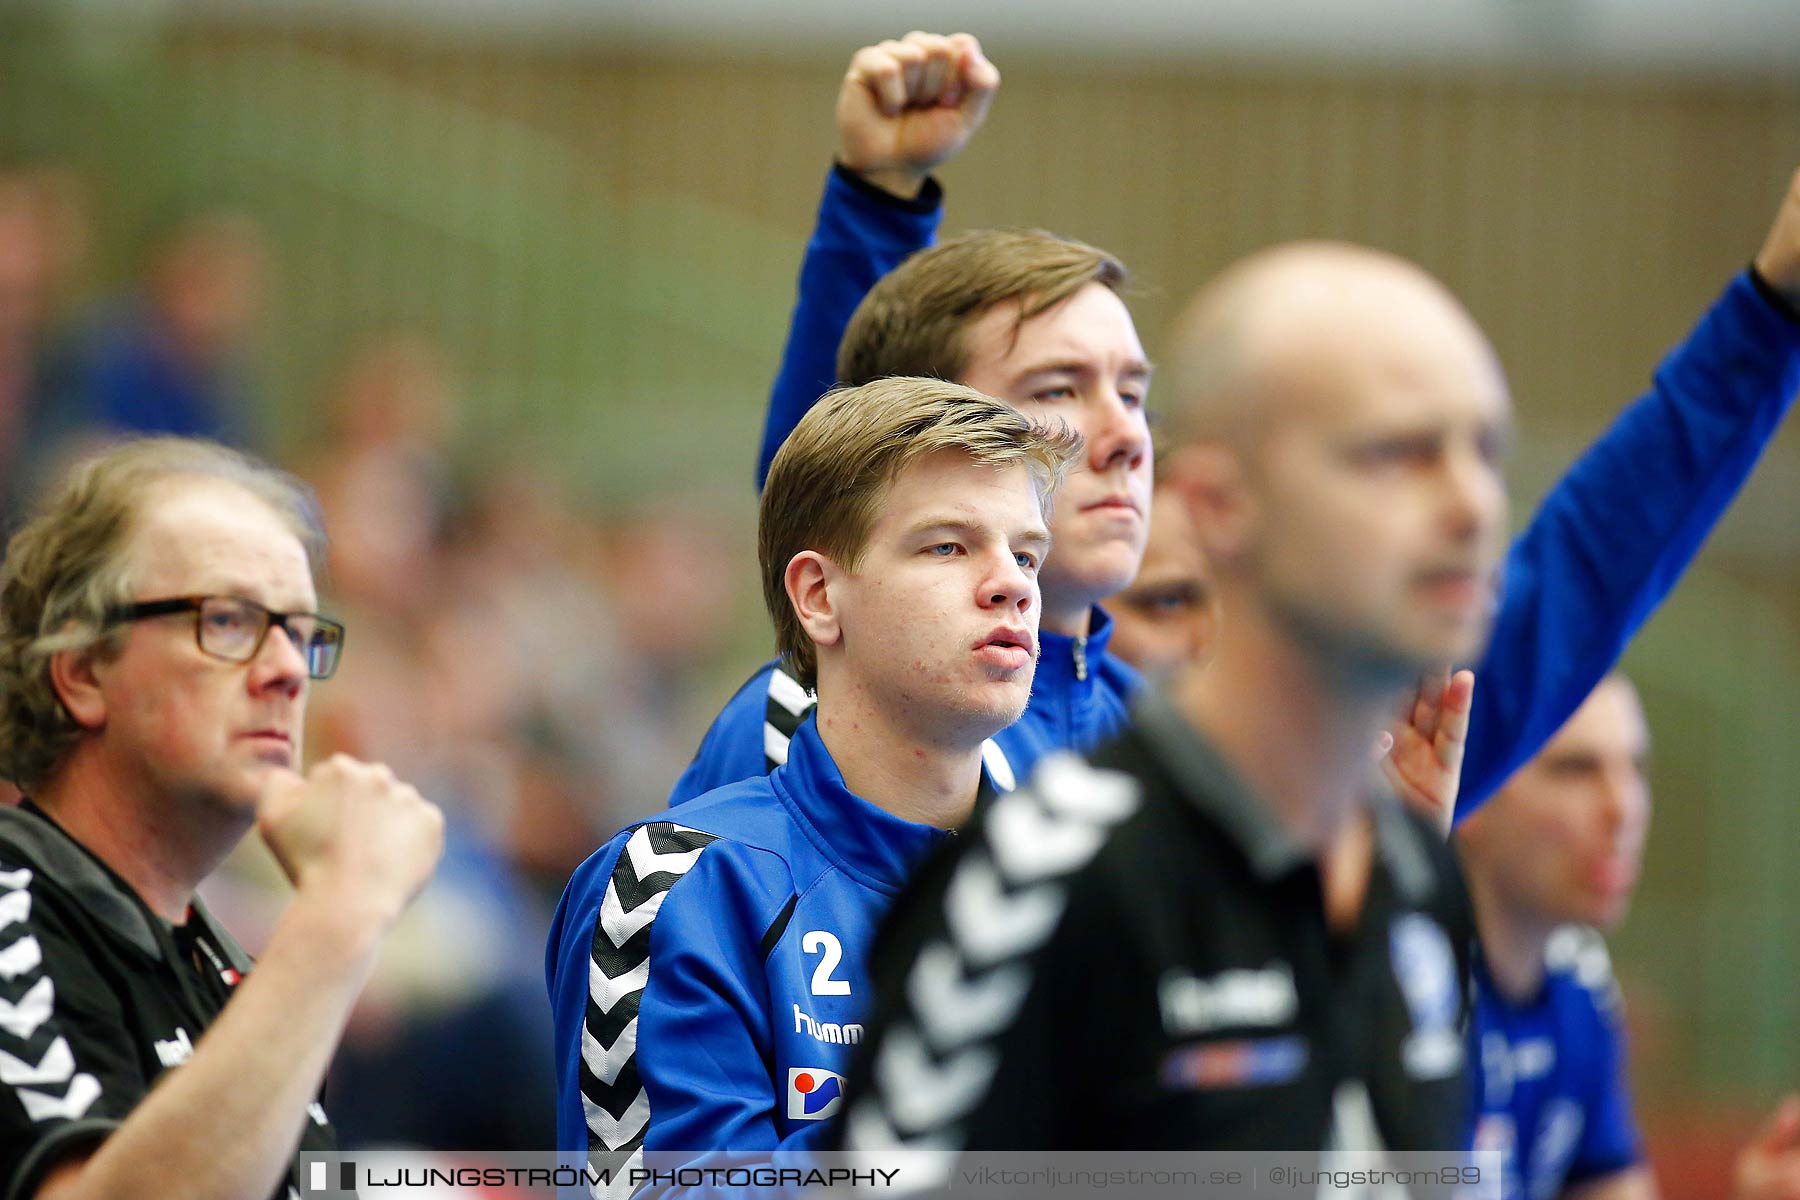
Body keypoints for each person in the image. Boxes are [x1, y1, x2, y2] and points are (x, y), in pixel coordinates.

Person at [673, 31, 1800, 820]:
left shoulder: (1193, 758)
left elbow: (1572, 585)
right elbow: (833, 473)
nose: (1123, 435)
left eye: (1136, 391)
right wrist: (874, 211)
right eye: (1059, 392)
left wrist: (1774, 311)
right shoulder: (826, 721)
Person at [840, 241, 1512, 1169]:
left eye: (1486, 449)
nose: (1472, 504)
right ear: (1218, 506)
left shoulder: (1414, 875)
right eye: (1395, 453)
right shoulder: (1046, 880)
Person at [546, 380, 1077, 1180]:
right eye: (948, 546)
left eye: (1026, 552)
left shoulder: (1102, 889)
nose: (1014, 583)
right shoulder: (679, 888)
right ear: (819, 596)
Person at [0, 437, 444, 1200]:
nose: (284, 673)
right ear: (81, 672)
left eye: (301, 635)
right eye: (229, 621)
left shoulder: (218, 970)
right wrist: (339, 913)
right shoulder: (14, 909)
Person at [1456, 675, 1800, 1200]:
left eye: (1635, 768)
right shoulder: (1402, 1000)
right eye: (1574, 769)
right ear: (1472, 788)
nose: (1624, 808)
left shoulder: (1580, 990)